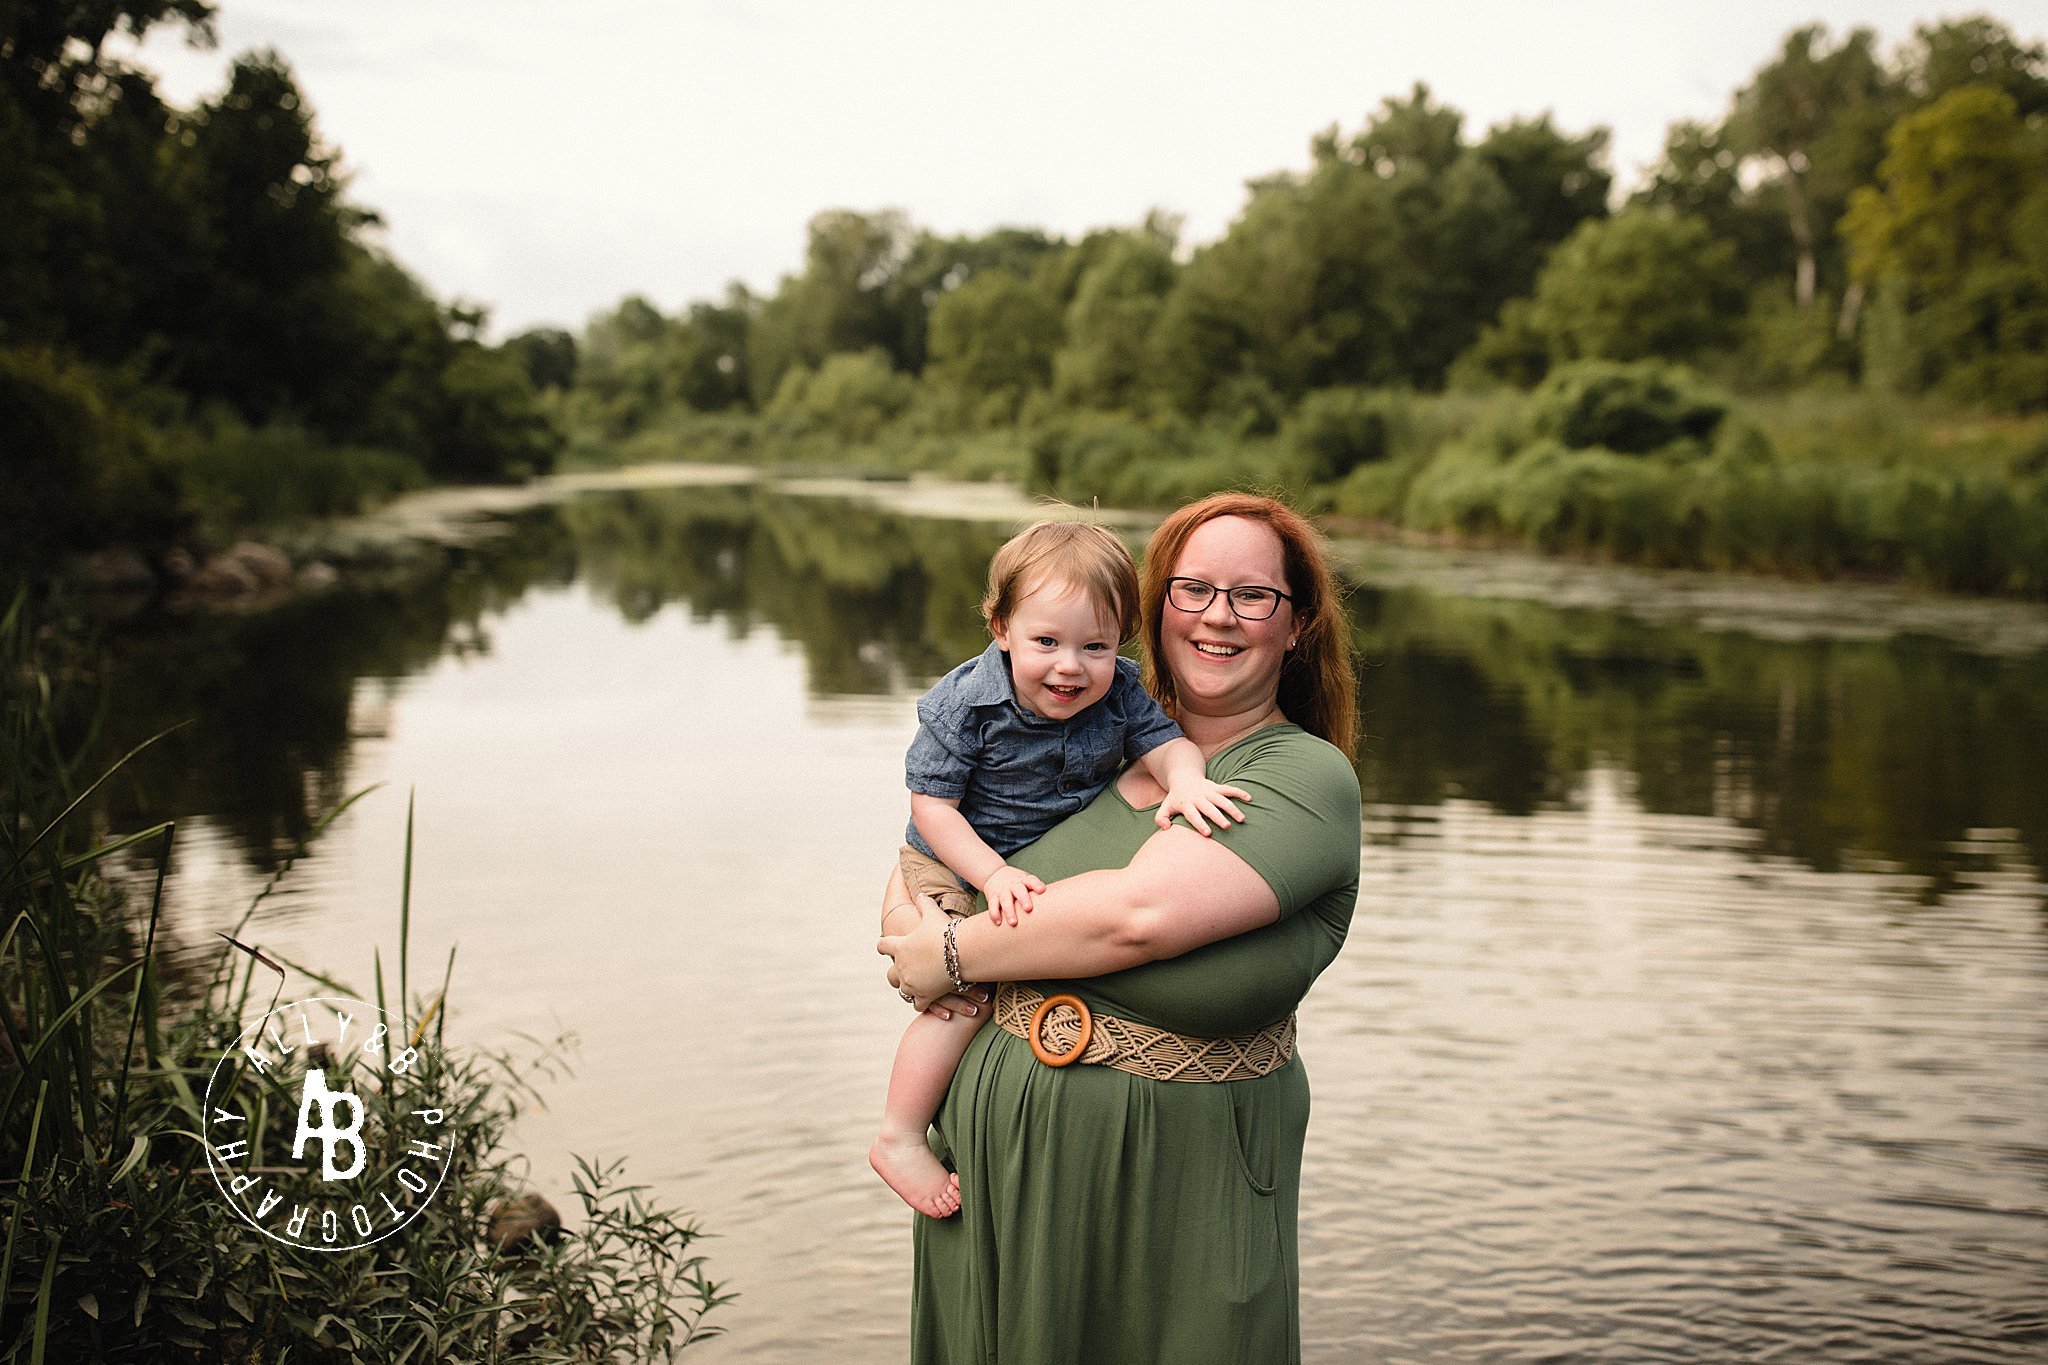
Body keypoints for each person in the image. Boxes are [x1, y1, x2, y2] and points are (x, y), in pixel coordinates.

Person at [878, 491, 1362, 1364]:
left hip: (1173, 1190)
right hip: (992, 1176)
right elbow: (926, 852)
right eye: (1192, 588)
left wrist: (948, 951)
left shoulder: (1301, 776)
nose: (1218, 613)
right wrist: (917, 918)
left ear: (1297, 625)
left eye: (1253, 595)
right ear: (1153, 608)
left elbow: (1135, 917)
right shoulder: (1083, 731)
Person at [873, 519, 1253, 1219]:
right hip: (955, 860)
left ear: (1121, 644)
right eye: (1047, 642)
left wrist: (1189, 780)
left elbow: (1166, 747)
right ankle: (899, 1133)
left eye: (1095, 646)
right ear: (1001, 628)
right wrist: (988, 877)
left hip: (1031, 858)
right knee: (963, 993)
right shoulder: (965, 704)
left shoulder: (1119, 693)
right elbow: (932, 806)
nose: (1070, 666)